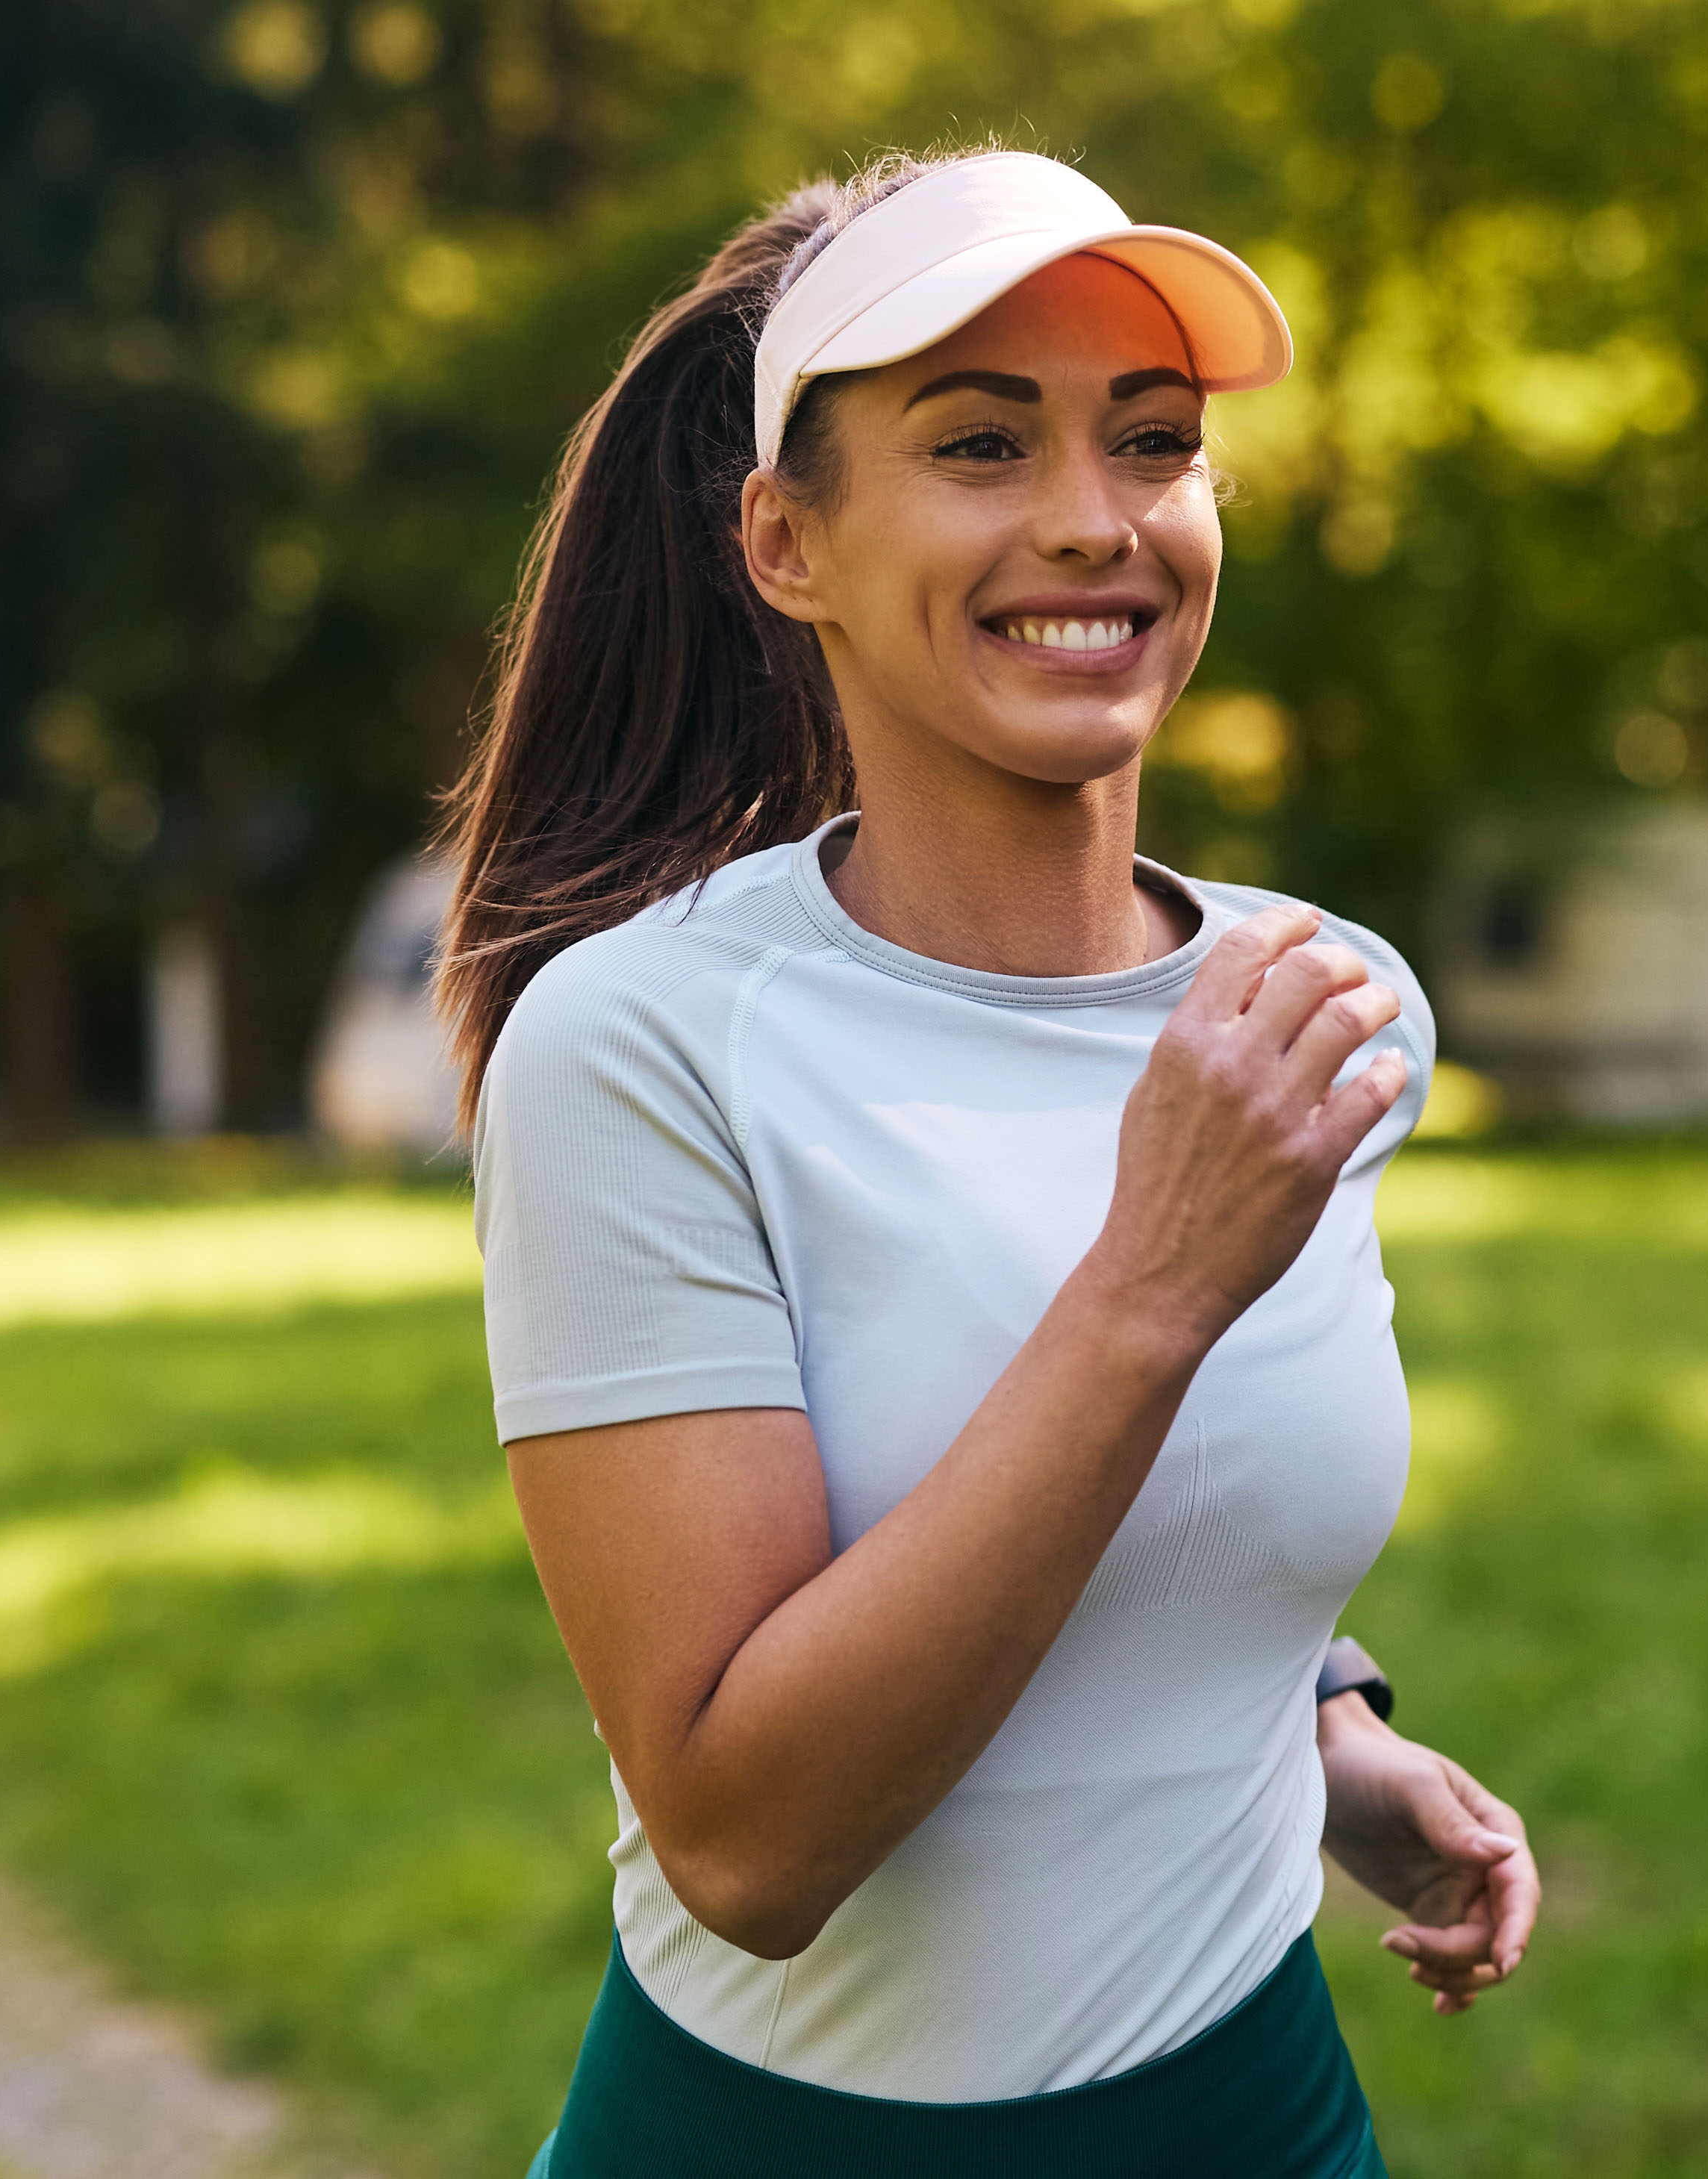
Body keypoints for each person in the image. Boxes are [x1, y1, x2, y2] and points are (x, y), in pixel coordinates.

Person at [437, 147, 1540, 2176]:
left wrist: (1317, 1732)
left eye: (1155, 441)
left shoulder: (1323, 1011)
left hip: (1258, 2120)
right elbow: (750, 1841)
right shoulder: (644, 1048)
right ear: (787, 542)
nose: (1093, 521)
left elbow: (1194, 1507)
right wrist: (1147, 1288)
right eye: (979, 444)